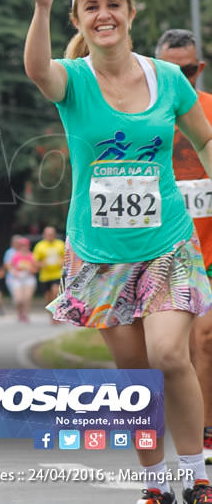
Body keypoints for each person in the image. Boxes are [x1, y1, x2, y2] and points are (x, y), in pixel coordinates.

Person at [26, 0, 212, 503]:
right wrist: (40, 5)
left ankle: (198, 474)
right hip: (100, 252)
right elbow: (38, 69)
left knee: (170, 355)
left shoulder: (168, 77)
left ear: (130, 13)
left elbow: (204, 140)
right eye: (91, 7)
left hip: (167, 244)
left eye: (113, 4)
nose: (104, 15)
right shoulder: (74, 80)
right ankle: (155, 482)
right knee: (134, 373)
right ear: (79, 21)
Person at [155, 28, 212, 464]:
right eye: (172, 70)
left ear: (200, 69)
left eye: (188, 71)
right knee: (173, 352)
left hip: (209, 248)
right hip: (163, 249)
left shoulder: (208, 113)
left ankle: (204, 438)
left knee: (205, 340)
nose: (181, 78)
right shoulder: (145, 115)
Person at [32, 225, 65, 323]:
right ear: (44, 235)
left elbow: (66, 257)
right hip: (45, 276)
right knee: (48, 296)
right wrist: (42, 264)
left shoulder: (60, 244)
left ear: (55, 235)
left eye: (52, 234)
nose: (50, 236)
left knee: (56, 293)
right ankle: (52, 316)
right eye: (48, 234)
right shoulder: (40, 246)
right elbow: (35, 262)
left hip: (57, 274)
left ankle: (58, 315)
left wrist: (61, 262)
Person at [5, 236, 37, 323]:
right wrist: (13, 272)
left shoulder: (31, 256)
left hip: (28, 278)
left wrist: (30, 269)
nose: (23, 247)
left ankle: (26, 314)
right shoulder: (15, 256)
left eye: (25, 245)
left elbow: (35, 269)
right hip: (17, 279)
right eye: (21, 245)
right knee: (18, 299)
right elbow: (9, 266)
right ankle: (20, 312)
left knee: (27, 298)